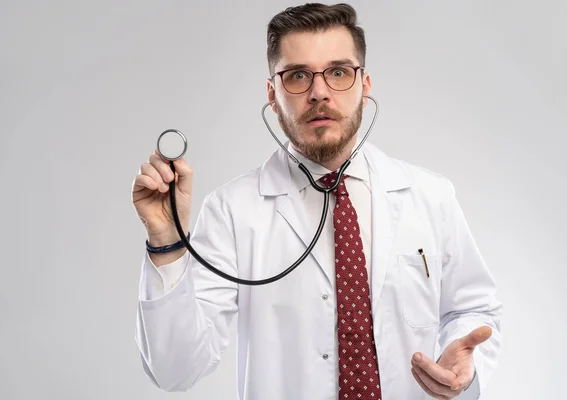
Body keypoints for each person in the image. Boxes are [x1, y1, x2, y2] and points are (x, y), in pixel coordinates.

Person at [131, 3, 503, 399]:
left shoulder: (431, 196)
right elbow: (174, 369)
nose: (319, 92)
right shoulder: (232, 211)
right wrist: (167, 241)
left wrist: (466, 366)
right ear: (273, 95)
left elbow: (473, 310)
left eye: (339, 72)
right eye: (297, 76)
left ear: (365, 84)